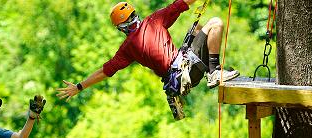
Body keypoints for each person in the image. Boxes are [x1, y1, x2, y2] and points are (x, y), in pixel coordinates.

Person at [57, 0, 239, 102]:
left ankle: (212, 70)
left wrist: (79, 86)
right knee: (216, 22)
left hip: (180, 78)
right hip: (186, 69)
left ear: (121, 27)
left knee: (198, 28)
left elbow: (105, 71)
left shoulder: (128, 48)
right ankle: (214, 71)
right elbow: (183, 2)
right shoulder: (154, 20)